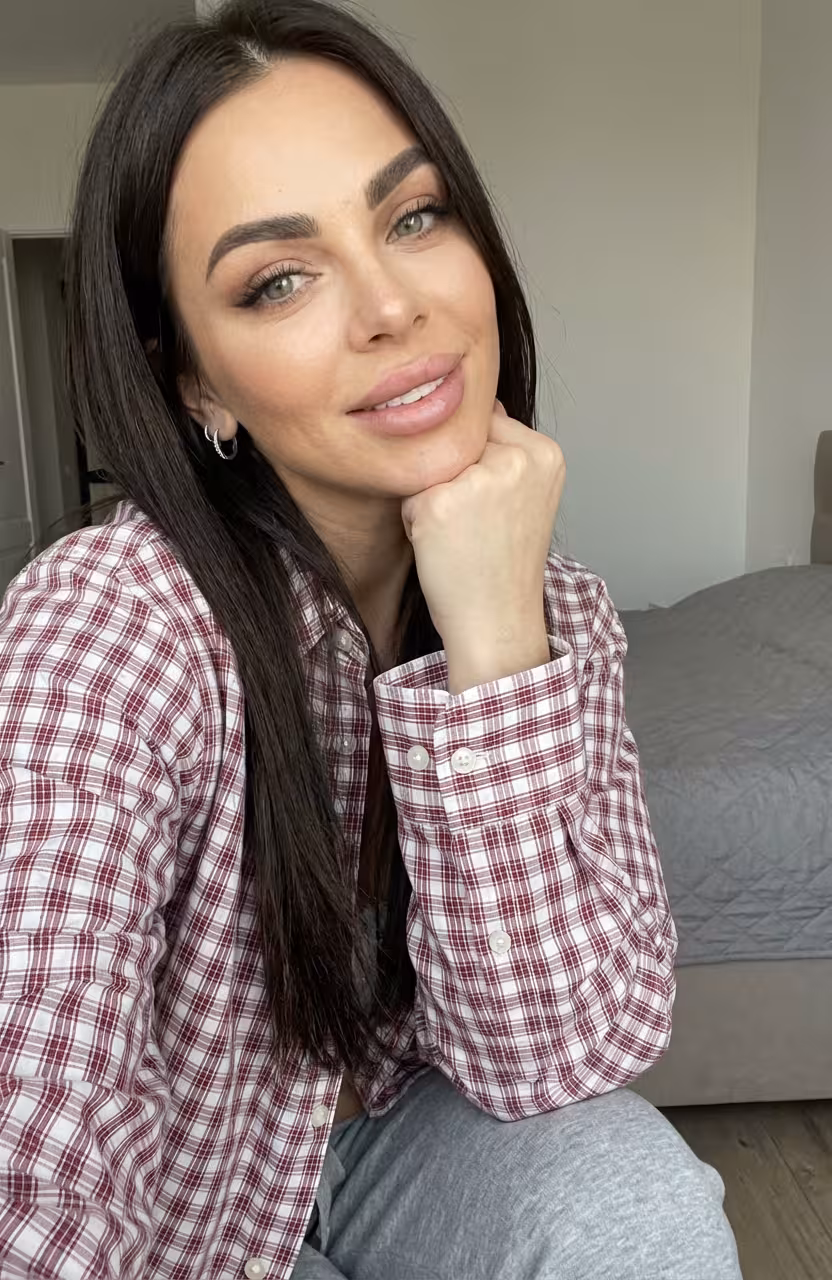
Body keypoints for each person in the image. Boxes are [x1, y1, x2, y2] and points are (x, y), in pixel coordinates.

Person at [0, 2, 742, 1277]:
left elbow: (553, 1057)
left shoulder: (558, 609)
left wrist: (497, 643)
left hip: (400, 1139)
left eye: (413, 216)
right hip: (185, 1207)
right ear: (197, 383)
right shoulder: (110, 626)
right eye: (277, 280)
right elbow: (37, 1132)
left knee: (636, 1201)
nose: (393, 304)